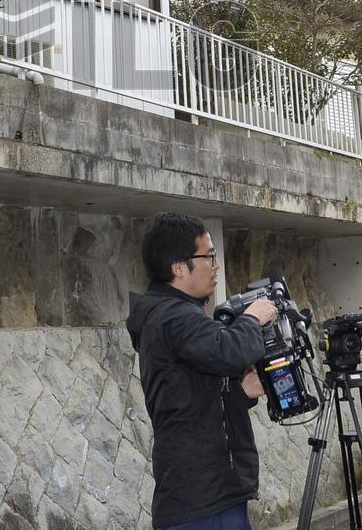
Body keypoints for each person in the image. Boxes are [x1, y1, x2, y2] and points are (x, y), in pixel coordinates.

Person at [126, 212, 278, 530]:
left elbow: (190, 400)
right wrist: (252, 318)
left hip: (210, 494)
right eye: (208, 256)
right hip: (201, 501)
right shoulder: (173, 316)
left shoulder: (175, 314)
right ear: (178, 268)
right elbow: (229, 351)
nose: (216, 264)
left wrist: (240, 393)